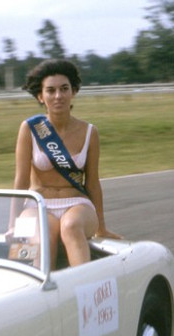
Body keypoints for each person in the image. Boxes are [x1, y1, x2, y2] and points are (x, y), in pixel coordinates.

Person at [13, 59, 121, 268]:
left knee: (71, 227)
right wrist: (12, 224)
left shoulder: (90, 131)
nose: (58, 96)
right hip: (38, 204)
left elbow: (92, 182)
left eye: (64, 89)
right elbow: (21, 180)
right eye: (50, 90)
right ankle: (34, 296)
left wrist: (102, 227)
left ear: (74, 92)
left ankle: (86, 293)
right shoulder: (30, 128)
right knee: (36, 238)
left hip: (77, 205)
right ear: (40, 96)